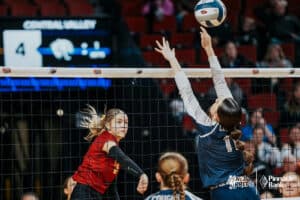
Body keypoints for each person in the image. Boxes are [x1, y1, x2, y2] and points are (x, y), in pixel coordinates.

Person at [155, 27, 260, 199]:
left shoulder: (209, 128)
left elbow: (186, 91)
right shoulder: (232, 117)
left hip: (224, 191)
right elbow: (220, 81)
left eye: (217, 102)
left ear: (216, 116)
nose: (216, 100)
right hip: (246, 186)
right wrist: (209, 48)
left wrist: (172, 59)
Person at [71, 105, 148, 200]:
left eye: (126, 122)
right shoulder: (107, 140)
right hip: (84, 193)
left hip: (95, 195)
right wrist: (141, 174)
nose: (124, 125)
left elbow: (111, 187)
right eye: (119, 122)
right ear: (108, 125)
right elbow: (123, 159)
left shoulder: (113, 146)